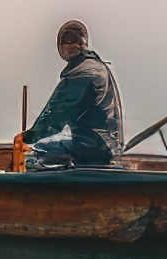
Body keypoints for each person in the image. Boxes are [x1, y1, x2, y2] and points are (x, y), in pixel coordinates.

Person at [20, 18, 123, 169]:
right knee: (45, 147)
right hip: (106, 145)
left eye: (73, 40)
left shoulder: (82, 73)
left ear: (83, 44)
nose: (70, 45)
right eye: (66, 40)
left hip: (93, 148)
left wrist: (27, 137)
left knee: (37, 154)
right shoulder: (96, 67)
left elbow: (56, 114)